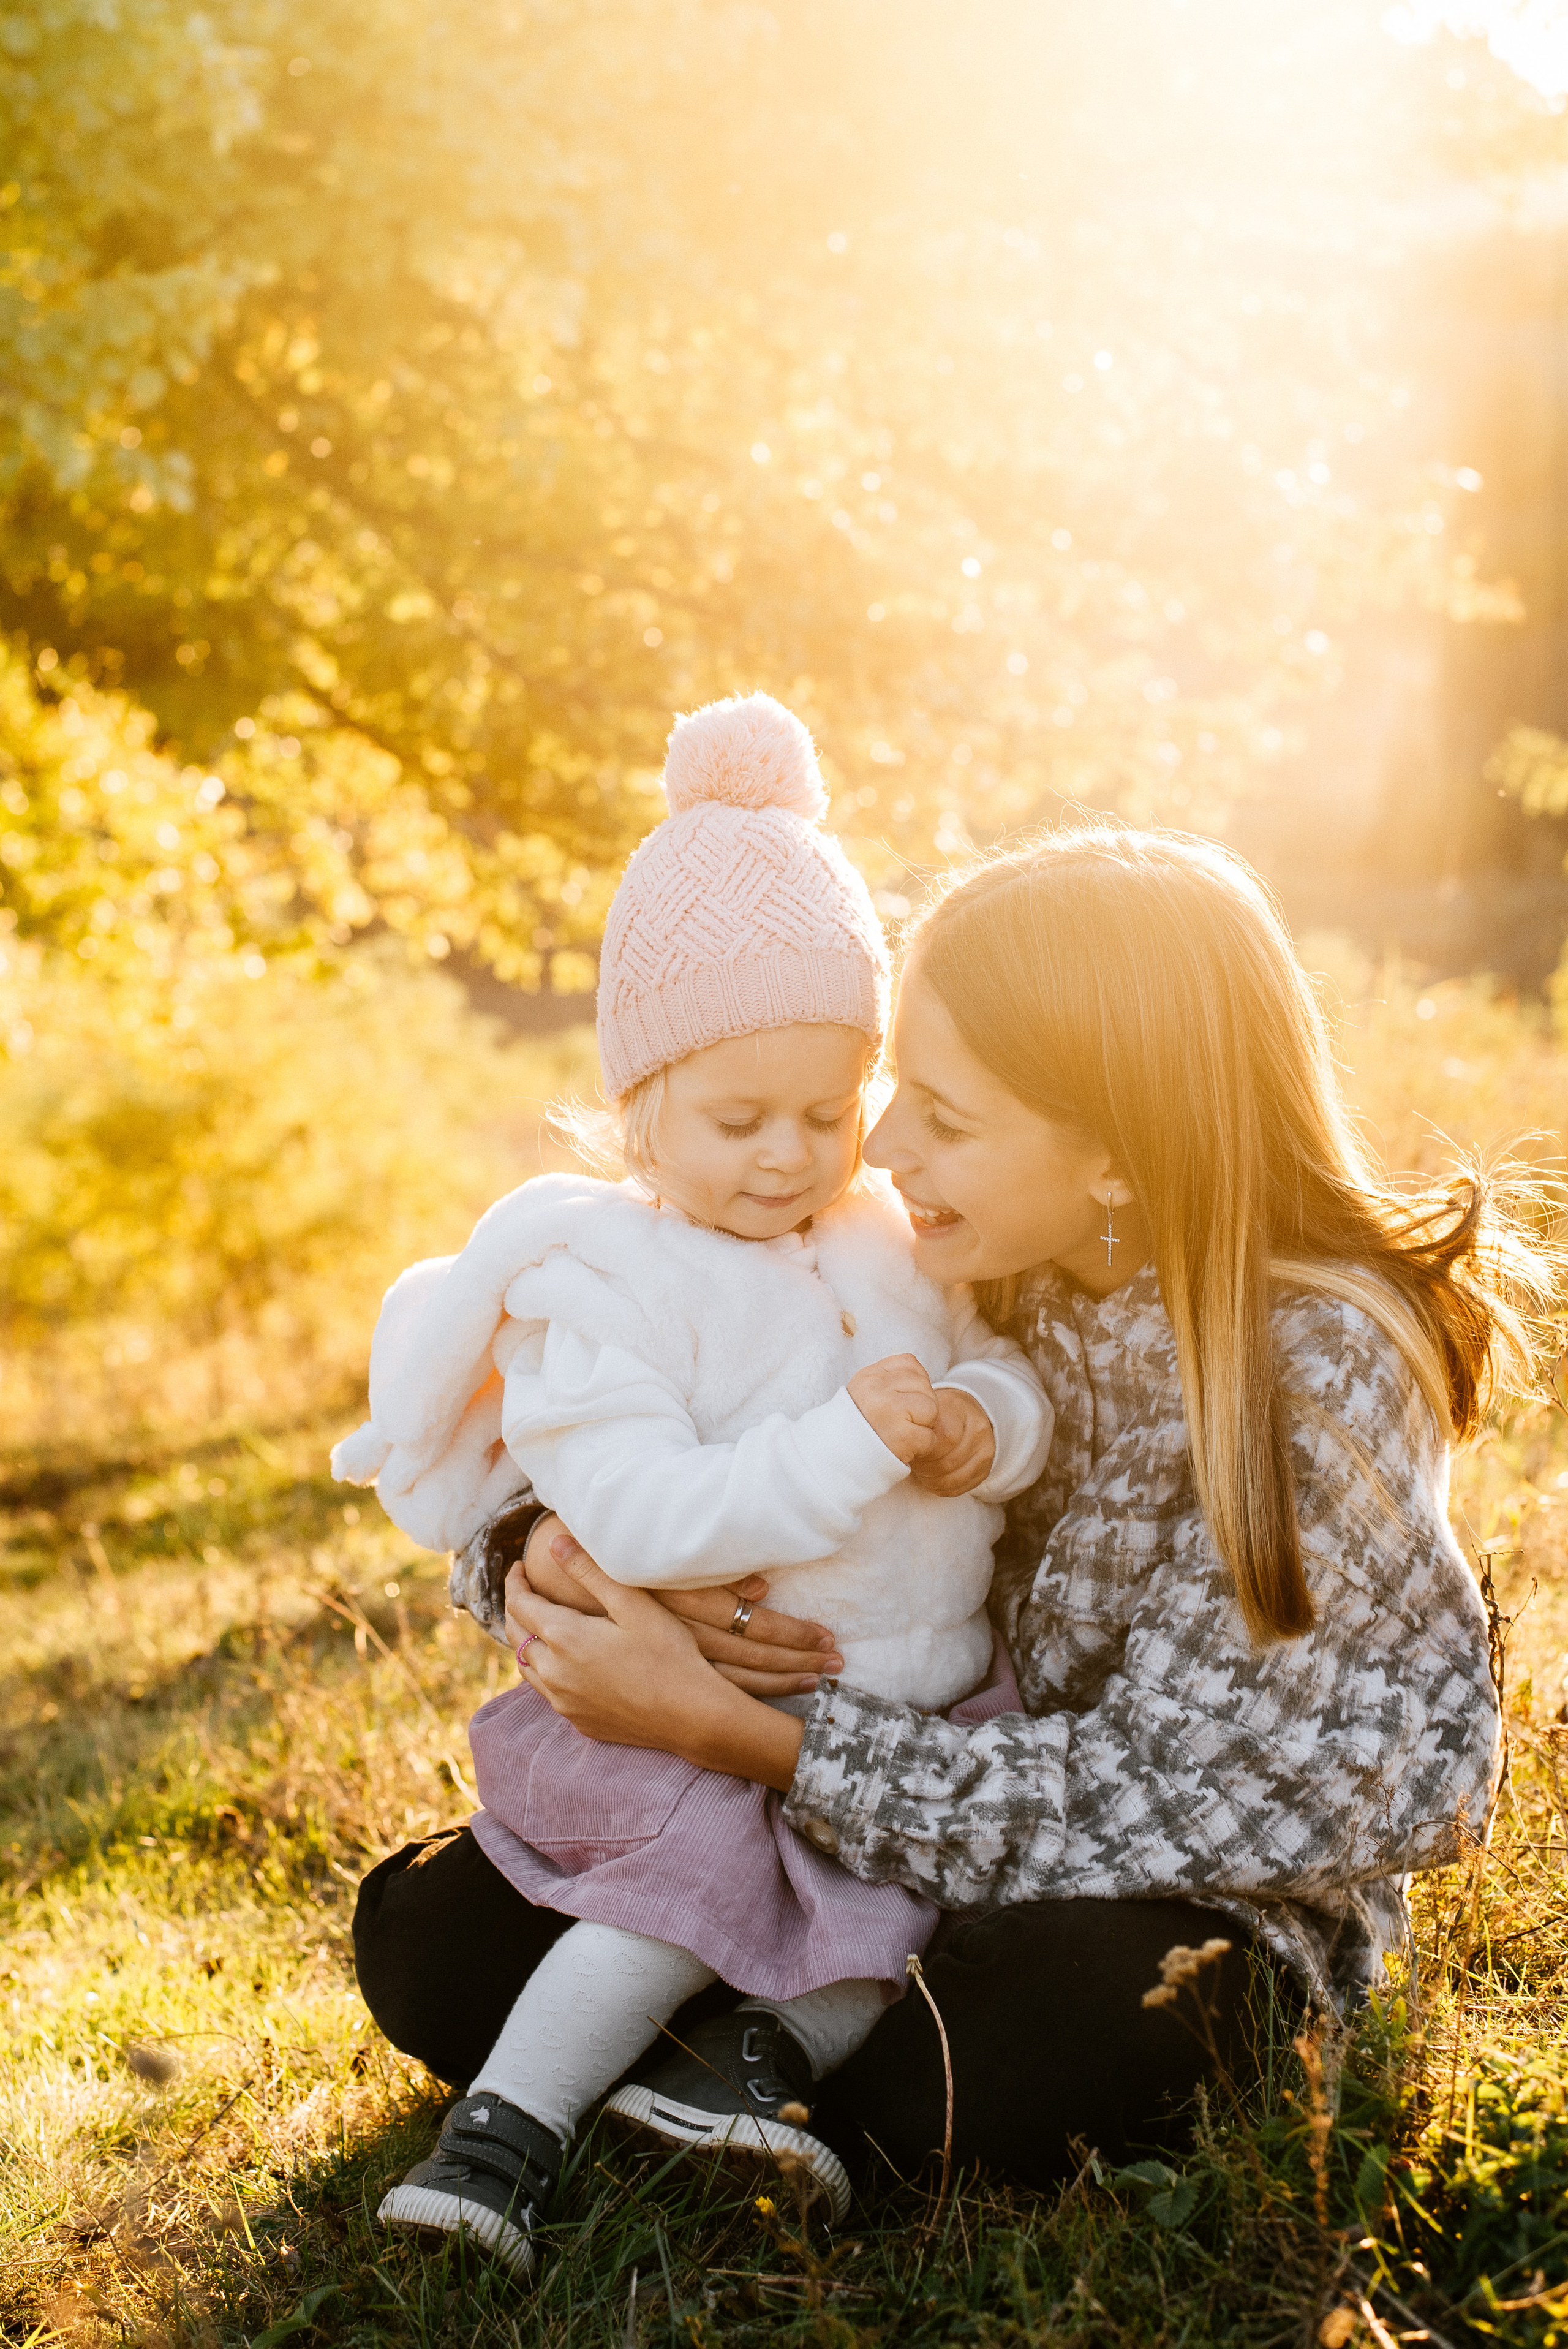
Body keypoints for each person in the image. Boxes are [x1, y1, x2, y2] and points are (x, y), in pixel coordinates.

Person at [354, 819, 1550, 2239]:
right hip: (838, 1830)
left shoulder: (1311, 1363)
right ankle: (728, 2055)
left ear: (1113, 1154)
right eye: (888, 1090)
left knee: (1061, 2029)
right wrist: (536, 1559)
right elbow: (629, 1442)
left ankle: (719, 2052)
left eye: (942, 1113)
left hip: (1147, 1892)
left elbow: (1186, 1797)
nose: (881, 1146)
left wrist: (746, 1738)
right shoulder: (954, 1256)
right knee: (427, 1937)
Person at [334, 692, 1053, 2277]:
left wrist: (981, 1425)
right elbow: (644, 1517)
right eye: (738, 1120)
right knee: (693, 1880)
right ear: (637, 1106)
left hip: (915, 1706)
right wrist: (856, 1445)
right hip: (679, 1717)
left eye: (827, 1109)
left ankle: (739, 2076)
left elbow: (1006, 1372)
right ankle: (499, 2143)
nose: (792, 1154)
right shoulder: (603, 1285)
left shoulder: (882, 1232)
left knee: (895, 1901)